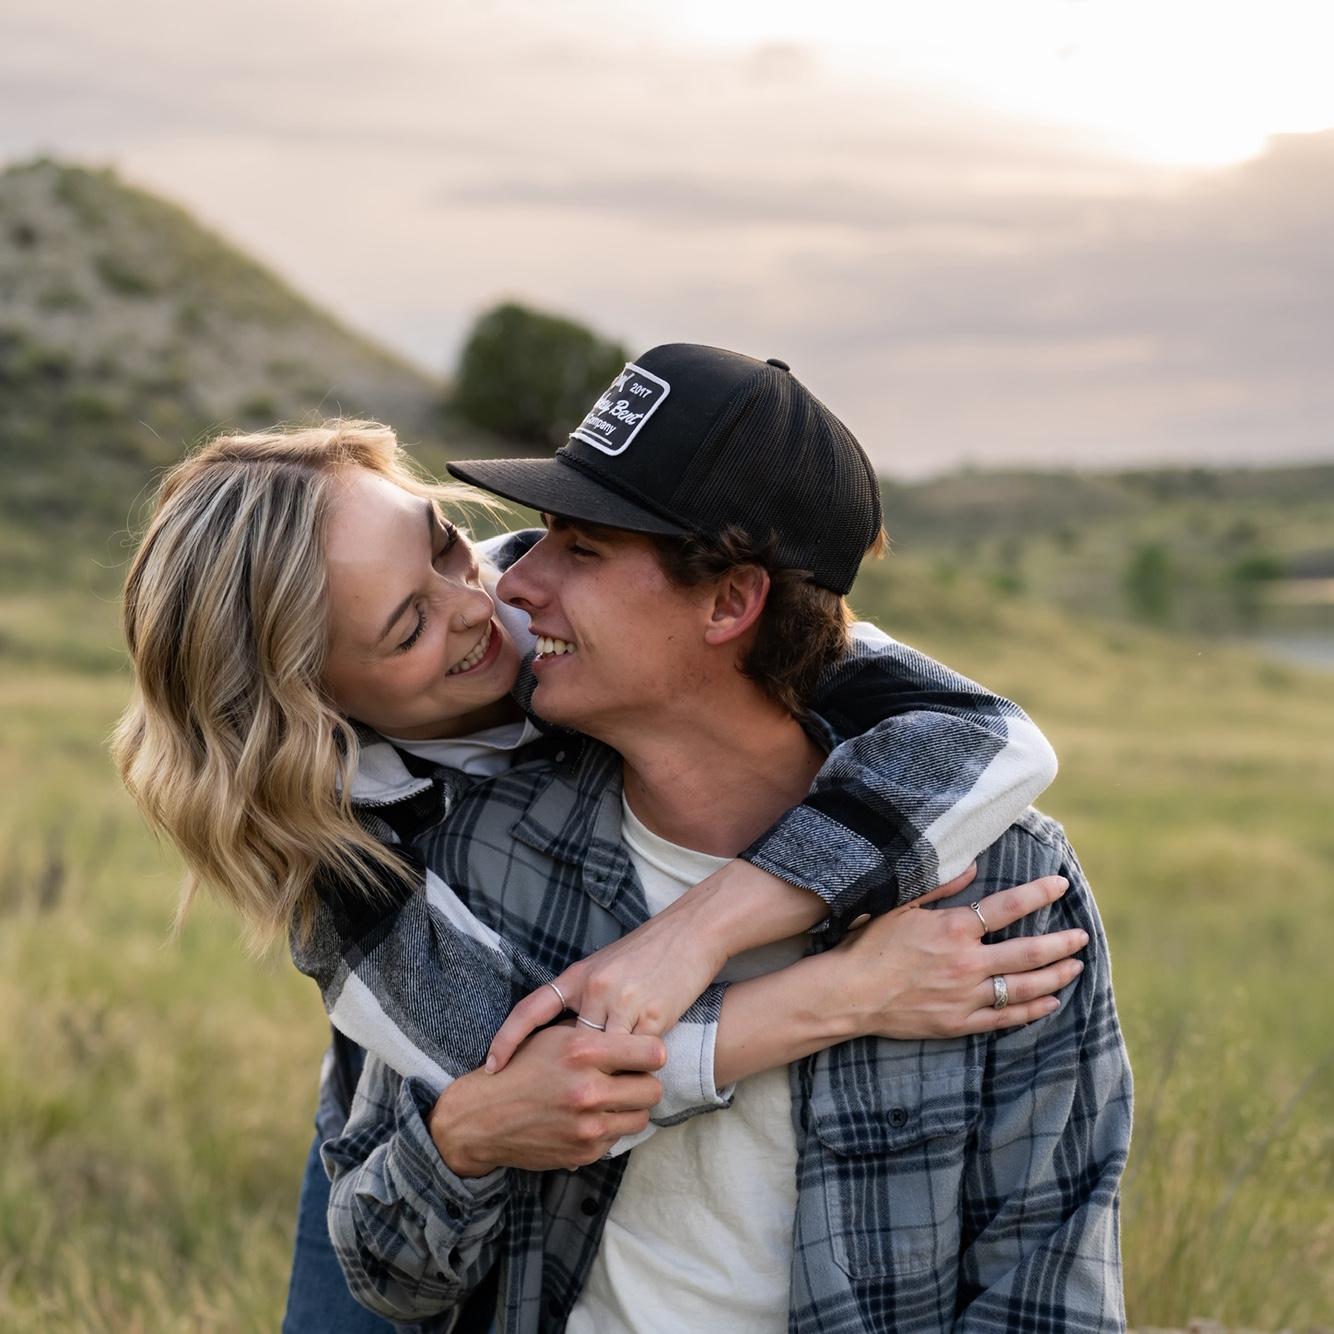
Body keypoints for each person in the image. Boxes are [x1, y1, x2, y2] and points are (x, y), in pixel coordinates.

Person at [111, 417, 1076, 1332]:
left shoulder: (548, 598)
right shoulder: (339, 862)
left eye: (446, 547)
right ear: (310, 705)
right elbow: (544, 1084)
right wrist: (847, 994)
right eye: (407, 631)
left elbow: (986, 735)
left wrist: (693, 934)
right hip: (417, 1099)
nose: (481, 605)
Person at [326, 345, 1133, 1331]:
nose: (514, 583)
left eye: (582, 548)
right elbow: (390, 1273)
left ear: (729, 603)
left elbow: (1045, 1284)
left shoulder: (1005, 886)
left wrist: (700, 940)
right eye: (541, 536)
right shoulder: (474, 859)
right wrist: (460, 1141)